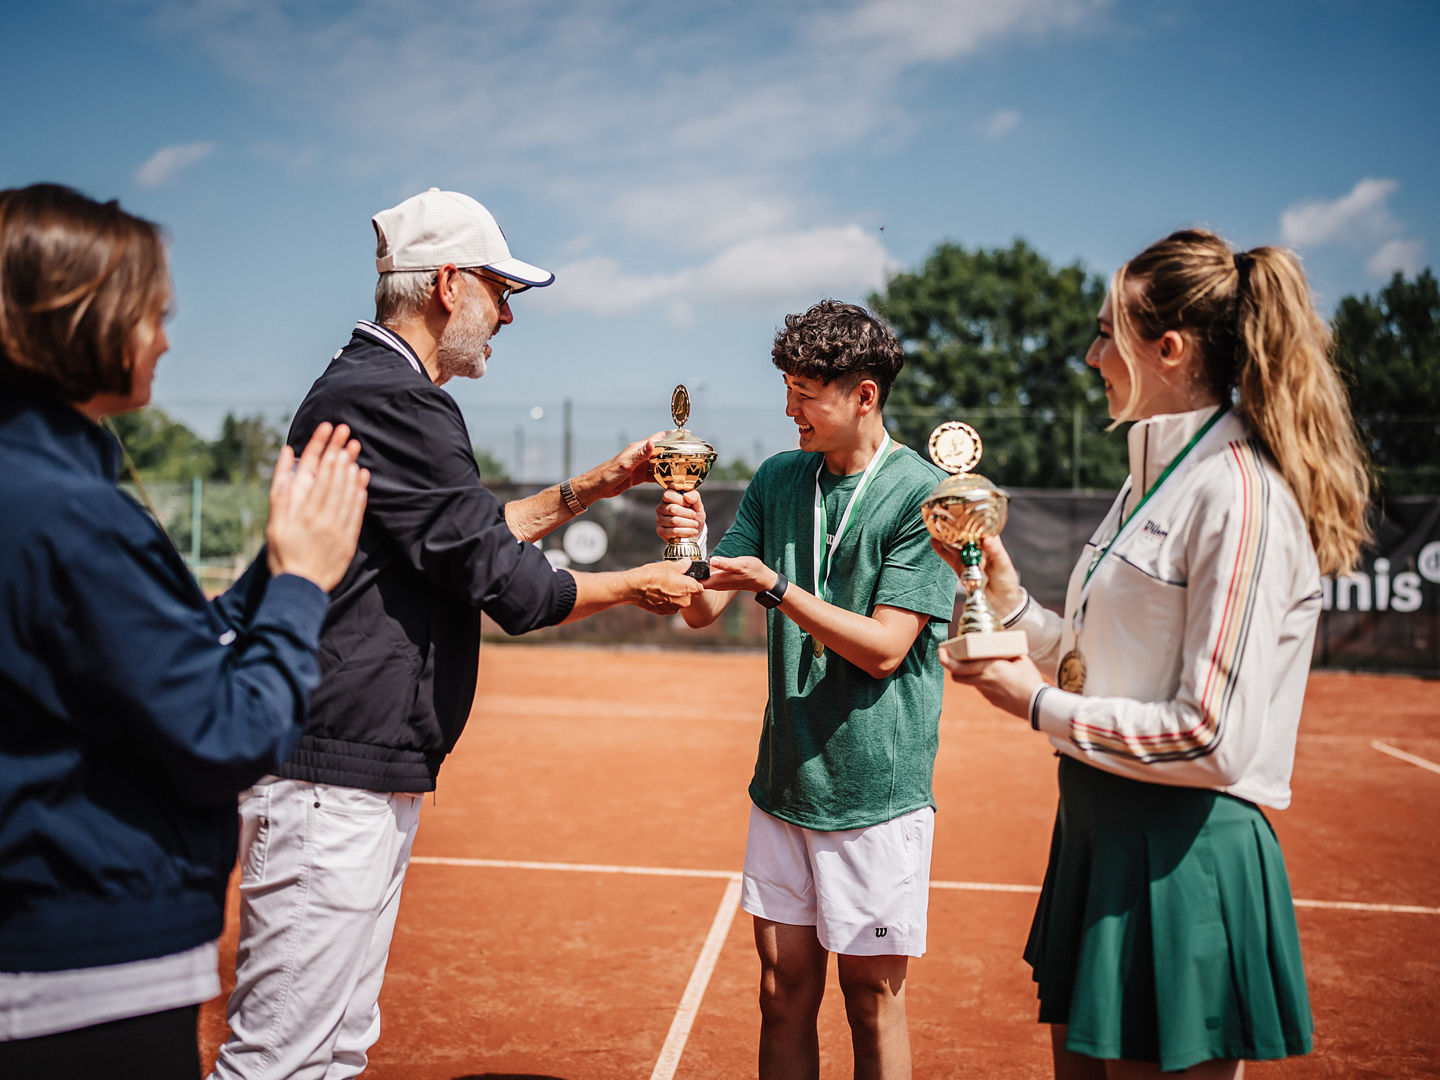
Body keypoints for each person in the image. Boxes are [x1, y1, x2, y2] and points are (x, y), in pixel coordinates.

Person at [211, 188, 703, 1080]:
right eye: (499, 290)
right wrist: (640, 585)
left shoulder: (376, 387)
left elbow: (465, 538)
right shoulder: (395, 397)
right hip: (332, 775)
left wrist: (597, 485)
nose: (507, 314)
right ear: (447, 285)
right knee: (278, 1059)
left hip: (354, 765)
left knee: (333, 1049)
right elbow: (509, 586)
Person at [939, 229, 1371, 1079]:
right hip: (1099, 834)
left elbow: (1212, 736)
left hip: (1182, 856)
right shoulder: (1152, 480)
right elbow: (1099, 663)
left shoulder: (1238, 495)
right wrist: (1009, 601)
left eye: (1107, 334)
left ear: (1167, 350)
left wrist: (1033, 705)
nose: (1091, 355)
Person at [0, 183, 369, 1078]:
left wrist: (275, 567)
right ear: (80, 318)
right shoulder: (69, 515)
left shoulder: (38, 487)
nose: (164, 339)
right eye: (151, 314)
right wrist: (302, 587)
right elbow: (225, 733)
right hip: (81, 973)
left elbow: (149, 655)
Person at [656, 300, 957, 1080]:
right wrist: (689, 540)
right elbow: (700, 610)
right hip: (785, 781)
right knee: (782, 991)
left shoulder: (924, 496)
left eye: (805, 394)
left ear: (864, 395)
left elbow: (887, 650)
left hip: (875, 794)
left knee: (871, 1000)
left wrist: (778, 587)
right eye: (786, 390)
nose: (790, 410)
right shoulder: (778, 478)